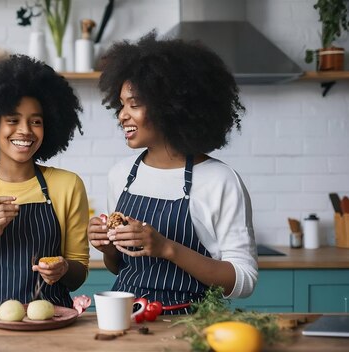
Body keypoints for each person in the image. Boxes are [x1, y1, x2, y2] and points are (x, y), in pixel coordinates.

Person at [88, 31, 257, 314]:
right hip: (126, 319)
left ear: (169, 106)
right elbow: (120, 266)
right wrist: (108, 248)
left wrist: (167, 248)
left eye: (135, 104)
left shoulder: (220, 181)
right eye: (121, 105)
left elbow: (243, 282)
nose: (122, 115)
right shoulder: (121, 175)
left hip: (190, 323)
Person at [0, 55, 89, 312]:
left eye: (36, 121)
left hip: (51, 320)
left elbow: (78, 275)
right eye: (12, 120)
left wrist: (64, 268)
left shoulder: (68, 185)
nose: (25, 130)